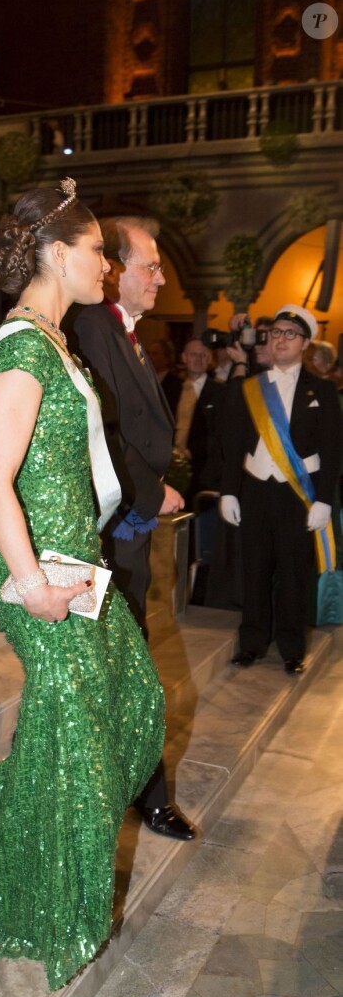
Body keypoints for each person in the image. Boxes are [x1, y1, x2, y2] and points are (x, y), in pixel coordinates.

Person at [0, 179, 166, 991]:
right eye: (97, 250)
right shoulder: (22, 347)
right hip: (38, 575)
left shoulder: (54, 339)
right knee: (77, 745)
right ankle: (42, 905)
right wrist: (33, 588)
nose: (106, 265)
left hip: (75, 567)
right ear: (59, 253)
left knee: (132, 703)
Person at [70, 215, 195, 843]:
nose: (160, 276)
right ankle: (142, 796)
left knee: (125, 669)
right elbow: (104, 434)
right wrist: (154, 489)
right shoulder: (93, 325)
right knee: (124, 670)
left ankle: (133, 790)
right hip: (110, 527)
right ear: (115, 267)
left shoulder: (128, 332)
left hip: (130, 526)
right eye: (150, 264)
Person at [220, 304, 343, 674]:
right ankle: (252, 642)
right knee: (254, 569)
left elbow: (334, 450)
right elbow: (233, 444)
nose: (281, 340)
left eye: (290, 334)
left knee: (293, 572)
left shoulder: (322, 389)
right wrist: (228, 491)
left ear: (305, 342)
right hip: (256, 490)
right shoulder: (250, 388)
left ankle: (292, 647)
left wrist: (323, 499)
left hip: (298, 495)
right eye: (275, 333)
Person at [175, 337, 225, 500]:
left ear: (209, 359)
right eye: (193, 354)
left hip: (204, 471)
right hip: (174, 469)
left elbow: (220, 432)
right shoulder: (172, 389)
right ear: (184, 358)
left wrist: (192, 451)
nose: (198, 359)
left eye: (203, 355)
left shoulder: (220, 392)